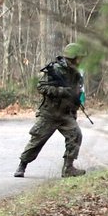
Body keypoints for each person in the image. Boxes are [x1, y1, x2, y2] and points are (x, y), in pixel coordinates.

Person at [14, 43, 87, 178]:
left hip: (65, 114)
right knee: (37, 140)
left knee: (75, 135)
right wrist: (61, 91)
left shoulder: (76, 73)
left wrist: (75, 105)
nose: (81, 60)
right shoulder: (55, 69)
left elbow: (77, 91)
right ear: (73, 58)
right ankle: (22, 165)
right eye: (79, 58)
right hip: (50, 113)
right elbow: (41, 87)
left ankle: (68, 168)